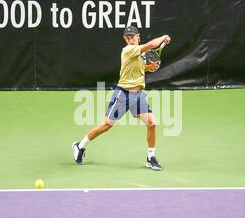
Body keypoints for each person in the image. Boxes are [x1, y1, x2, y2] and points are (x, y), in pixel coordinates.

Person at [72, 26, 171, 171]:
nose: (131, 39)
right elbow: (151, 45)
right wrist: (163, 37)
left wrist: (149, 67)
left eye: (133, 36)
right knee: (106, 125)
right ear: (125, 39)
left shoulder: (141, 55)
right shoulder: (128, 50)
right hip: (122, 95)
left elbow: (140, 68)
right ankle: (80, 146)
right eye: (128, 37)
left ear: (138, 36)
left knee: (152, 124)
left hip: (138, 96)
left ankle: (151, 158)